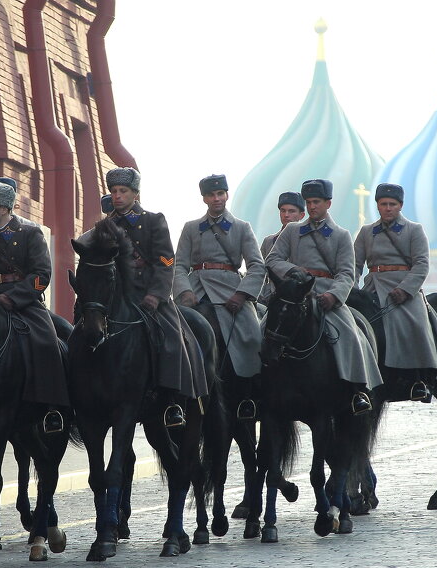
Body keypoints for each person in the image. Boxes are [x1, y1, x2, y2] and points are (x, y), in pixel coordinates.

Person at [88, 166, 208, 427]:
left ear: (136, 194)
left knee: (173, 338)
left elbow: (166, 261)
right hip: (114, 296)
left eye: (123, 191)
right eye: (114, 191)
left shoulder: (154, 221)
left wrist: (156, 295)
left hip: (148, 295)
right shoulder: (104, 225)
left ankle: (173, 400)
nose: (117, 196)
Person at [264, 178, 382, 413]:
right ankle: (256, 388)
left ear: (328, 203)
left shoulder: (341, 235)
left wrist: (334, 296)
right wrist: (295, 272)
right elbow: (273, 260)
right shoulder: (292, 231)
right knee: (262, 330)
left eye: (316, 202)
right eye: (308, 202)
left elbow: (347, 273)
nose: (311, 207)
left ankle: (358, 390)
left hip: (327, 298)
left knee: (351, 335)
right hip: (297, 296)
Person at [0, 179, 68, 431]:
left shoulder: (30, 234)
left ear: (4, 208)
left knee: (47, 342)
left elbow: (41, 274)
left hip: (24, 303)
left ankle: (52, 409)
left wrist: (13, 298)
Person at [174, 174, 265, 418]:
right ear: (204, 198)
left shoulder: (242, 227)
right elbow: (178, 264)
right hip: (197, 290)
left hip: (231, 291)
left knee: (253, 338)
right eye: (211, 195)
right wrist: (185, 291)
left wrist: (243, 294)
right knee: (170, 334)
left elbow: (257, 265)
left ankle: (250, 396)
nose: (216, 199)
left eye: (220, 194)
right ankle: (173, 397)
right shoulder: (191, 228)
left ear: (226, 195)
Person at [353, 183, 437, 401]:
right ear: (377, 206)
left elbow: (422, 264)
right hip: (373, 286)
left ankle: (419, 379)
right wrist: (351, 289)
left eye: (392, 204)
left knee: (415, 323)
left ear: (400, 206)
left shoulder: (414, 230)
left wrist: (406, 290)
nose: (388, 208)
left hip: (405, 287)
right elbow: (354, 265)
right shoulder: (366, 232)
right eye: (383, 204)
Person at [258, 192, 305, 304]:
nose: (286, 215)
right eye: (283, 211)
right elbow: (260, 271)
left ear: (301, 215)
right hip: (271, 297)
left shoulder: (308, 240)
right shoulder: (269, 241)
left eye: (291, 211)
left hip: (300, 296)